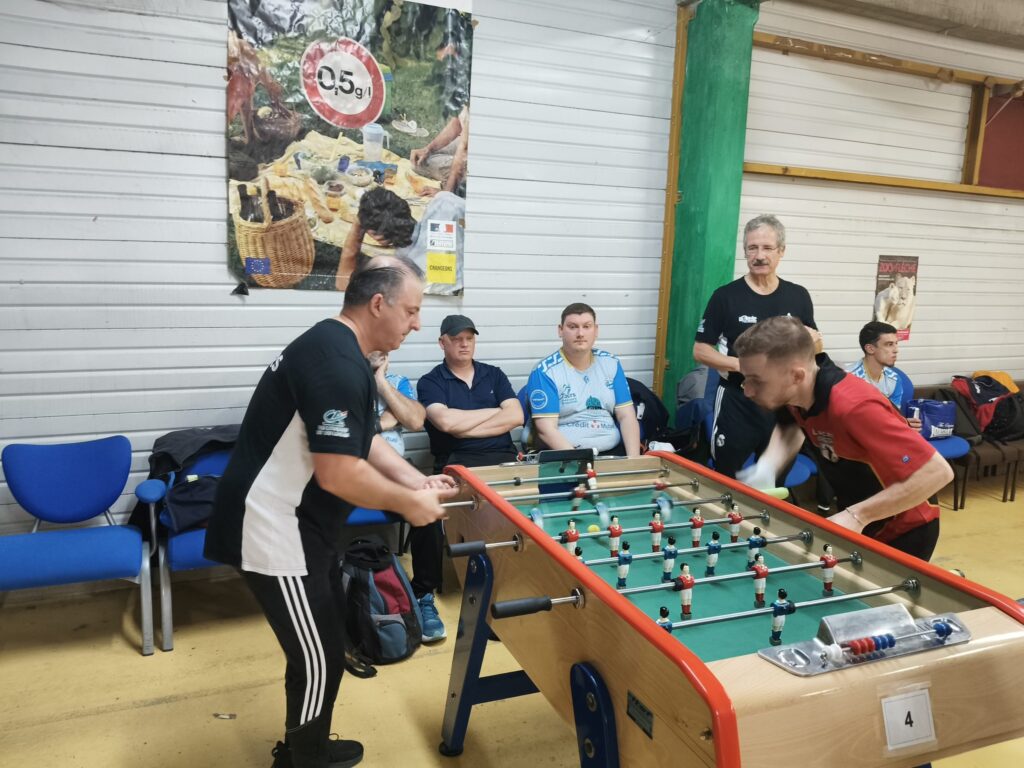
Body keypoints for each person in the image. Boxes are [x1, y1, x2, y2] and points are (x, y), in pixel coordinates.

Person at [204, 256, 456, 768]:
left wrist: (416, 480)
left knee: (322, 647)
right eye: (411, 311)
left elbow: (365, 440)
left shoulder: (340, 348)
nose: (417, 324)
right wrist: (409, 504)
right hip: (272, 530)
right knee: (319, 656)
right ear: (378, 304)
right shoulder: (338, 364)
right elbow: (338, 473)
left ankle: (306, 748)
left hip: (303, 529)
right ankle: (303, 759)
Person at [734, 316, 953, 561]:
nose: (747, 391)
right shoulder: (799, 390)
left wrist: (857, 516)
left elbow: (938, 472)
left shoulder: (854, 407)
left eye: (756, 381)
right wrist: (768, 466)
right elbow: (790, 425)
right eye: (746, 379)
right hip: (861, 511)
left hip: (905, 525)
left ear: (796, 376)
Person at [415, 313, 524, 635]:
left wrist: (465, 425)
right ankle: (423, 593)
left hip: (502, 461)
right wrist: (494, 412)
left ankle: (510, 592)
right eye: (456, 339)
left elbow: (516, 416)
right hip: (455, 465)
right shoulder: (431, 382)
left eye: (469, 338)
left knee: (526, 512)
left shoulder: (494, 375)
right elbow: (446, 424)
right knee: (424, 509)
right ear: (442, 343)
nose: (464, 344)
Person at [693, 214, 819, 479]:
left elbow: (813, 347)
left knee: (773, 481)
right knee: (727, 478)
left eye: (767, 248)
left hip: (784, 406)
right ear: (745, 251)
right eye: (752, 248)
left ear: (781, 251)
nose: (759, 256)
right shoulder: (725, 296)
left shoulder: (798, 296)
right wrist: (743, 366)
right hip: (738, 401)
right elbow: (700, 350)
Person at [526, 303, 641, 457]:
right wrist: (581, 463)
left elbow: (627, 416)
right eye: (572, 327)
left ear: (596, 330)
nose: (580, 333)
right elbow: (546, 430)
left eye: (587, 326)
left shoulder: (611, 363)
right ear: (560, 330)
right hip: (567, 457)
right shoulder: (545, 371)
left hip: (612, 452)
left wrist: (634, 460)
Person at [846, 321, 923, 430]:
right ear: (870, 349)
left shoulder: (895, 379)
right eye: (889, 344)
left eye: (896, 344)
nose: (896, 350)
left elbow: (892, 417)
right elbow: (848, 422)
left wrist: (904, 425)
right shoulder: (848, 378)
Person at [368, 351, 424, 459]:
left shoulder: (397, 381)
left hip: (394, 463)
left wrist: (382, 383)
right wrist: (382, 424)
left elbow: (416, 422)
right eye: (374, 347)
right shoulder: (346, 381)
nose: (382, 351)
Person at [409, 104, 469, 196]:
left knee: (422, 165)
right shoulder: (466, 97)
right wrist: (428, 149)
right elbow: (457, 122)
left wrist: (447, 192)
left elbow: (464, 149)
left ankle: (461, 186)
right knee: (418, 161)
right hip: (466, 139)